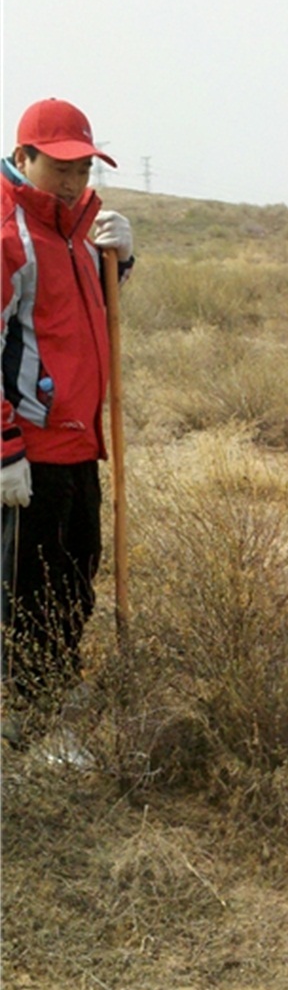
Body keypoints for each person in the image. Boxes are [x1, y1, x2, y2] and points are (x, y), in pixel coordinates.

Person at [1, 97, 135, 715]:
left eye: (84, 168)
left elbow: (74, 313)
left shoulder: (74, 227)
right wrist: (5, 452)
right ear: (23, 155)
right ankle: (26, 713)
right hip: (30, 448)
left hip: (80, 440)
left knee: (75, 575)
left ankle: (52, 689)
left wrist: (119, 262)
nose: (75, 181)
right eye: (60, 168)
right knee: (29, 589)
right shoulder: (10, 234)